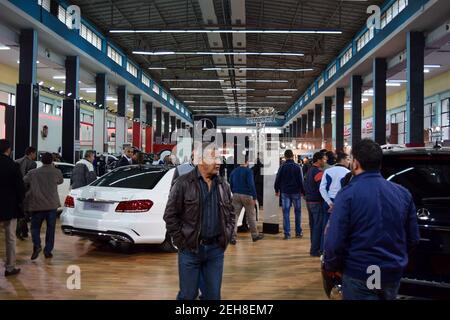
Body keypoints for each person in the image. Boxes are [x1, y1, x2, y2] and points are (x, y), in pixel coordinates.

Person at [323, 139, 420, 300]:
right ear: (379, 164)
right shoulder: (403, 193)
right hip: (391, 272)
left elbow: (335, 239)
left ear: (355, 163)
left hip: (359, 271)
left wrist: (331, 266)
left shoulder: (347, 195)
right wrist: (395, 259)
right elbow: (413, 238)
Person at [164, 143, 235, 300]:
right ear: (200, 160)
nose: (219, 162)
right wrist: (181, 242)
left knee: (213, 296)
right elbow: (170, 215)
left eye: (219, 157)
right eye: (213, 157)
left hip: (216, 251)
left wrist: (227, 236)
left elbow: (230, 213)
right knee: (188, 295)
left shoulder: (223, 185)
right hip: (190, 250)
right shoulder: (183, 183)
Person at [24, 152, 63, 260]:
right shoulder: (56, 172)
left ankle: (37, 245)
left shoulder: (32, 173)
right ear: (52, 161)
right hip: (51, 206)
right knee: (50, 229)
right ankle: (48, 251)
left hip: (37, 205)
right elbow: (60, 181)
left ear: (41, 161)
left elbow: (24, 181)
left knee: (35, 228)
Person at [0, 139, 25, 276]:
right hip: (9, 208)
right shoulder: (13, 165)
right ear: (8, 150)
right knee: (10, 238)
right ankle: (10, 267)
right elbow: (20, 189)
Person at [229, 155, 264, 244]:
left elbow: (231, 183)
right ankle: (255, 235)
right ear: (247, 161)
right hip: (247, 195)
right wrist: (254, 197)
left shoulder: (234, 171)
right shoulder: (248, 171)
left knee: (235, 217)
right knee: (250, 216)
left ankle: (232, 237)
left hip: (236, 195)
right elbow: (251, 184)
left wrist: (234, 192)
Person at [319, 151, 351, 247]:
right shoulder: (348, 173)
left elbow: (322, 188)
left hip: (328, 202)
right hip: (341, 203)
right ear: (343, 160)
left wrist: (329, 202)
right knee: (340, 228)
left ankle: (323, 250)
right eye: (348, 159)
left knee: (326, 227)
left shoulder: (328, 171)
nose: (349, 162)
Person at [274, 149, 305, 240]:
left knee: (286, 213)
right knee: (298, 212)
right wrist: (303, 191)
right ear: (292, 156)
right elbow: (301, 180)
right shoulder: (297, 167)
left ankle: (287, 234)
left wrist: (276, 190)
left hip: (285, 192)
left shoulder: (282, 167)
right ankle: (298, 232)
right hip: (296, 192)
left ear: (285, 156)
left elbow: (278, 179)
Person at [304, 152, 326, 256]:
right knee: (318, 226)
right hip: (317, 202)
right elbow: (321, 188)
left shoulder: (309, 171)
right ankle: (315, 250)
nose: (325, 161)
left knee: (313, 225)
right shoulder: (318, 172)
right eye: (324, 159)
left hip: (309, 201)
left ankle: (313, 247)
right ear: (318, 160)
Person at [15, 146, 37, 239]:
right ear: (31, 153)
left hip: (16, 190)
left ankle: (24, 232)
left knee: (21, 210)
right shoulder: (33, 164)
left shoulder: (17, 161)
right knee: (26, 212)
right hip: (27, 191)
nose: (35, 155)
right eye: (35, 153)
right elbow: (31, 179)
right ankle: (19, 230)